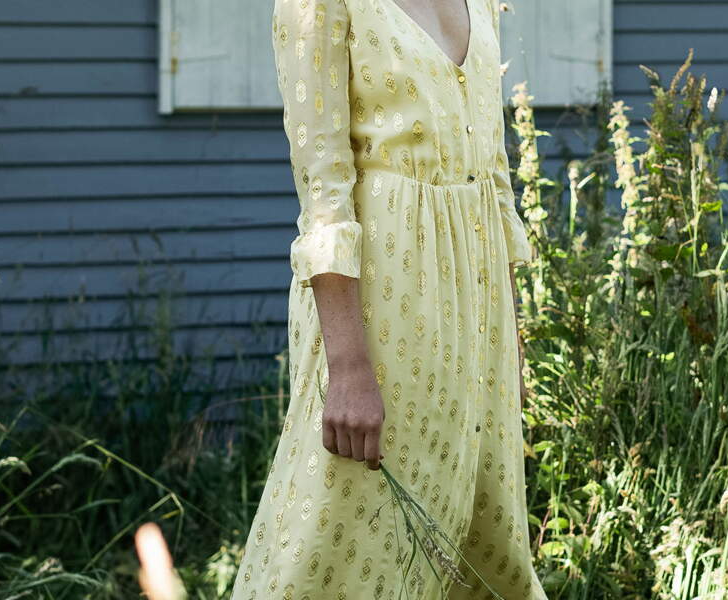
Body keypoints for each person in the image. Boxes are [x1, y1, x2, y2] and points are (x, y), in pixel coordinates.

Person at [231, 0, 546, 597]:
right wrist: (348, 368)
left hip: (478, 311)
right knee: (349, 528)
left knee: (484, 533)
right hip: (383, 305)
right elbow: (323, 196)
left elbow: (495, 180)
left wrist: (510, 342)